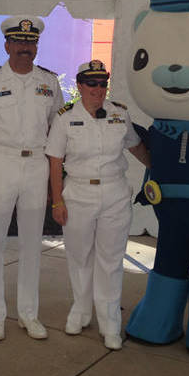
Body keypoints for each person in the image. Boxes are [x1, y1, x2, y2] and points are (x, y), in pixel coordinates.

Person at [0, 15, 64, 341]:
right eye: (19, 42)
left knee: (32, 243)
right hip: (1, 162)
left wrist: (55, 184)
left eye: (30, 42)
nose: (25, 48)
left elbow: (57, 135)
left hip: (36, 164)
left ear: (36, 46)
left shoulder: (49, 82)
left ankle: (28, 313)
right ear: (7, 45)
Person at [45, 60, 150, 350]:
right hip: (78, 194)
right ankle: (81, 310)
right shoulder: (66, 117)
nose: (98, 89)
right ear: (79, 86)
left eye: (103, 84)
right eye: (92, 83)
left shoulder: (119, 114)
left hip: (115, 193)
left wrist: (159, 170)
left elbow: (136, 146)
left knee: (111, 260)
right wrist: (57, 201)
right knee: (79, 257)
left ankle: (110, 322)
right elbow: (55, 160)